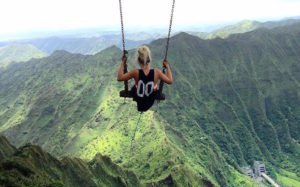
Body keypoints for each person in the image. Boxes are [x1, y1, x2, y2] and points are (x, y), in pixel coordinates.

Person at [117, 45, 173, 112]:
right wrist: (167, 66)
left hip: (140, 101)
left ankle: (141, 89)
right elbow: (170, 81)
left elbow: (119, 78)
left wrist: (123, 63)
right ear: (149, 59)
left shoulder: (135, 72)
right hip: (149, 101)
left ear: (138, 60)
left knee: (135, 87)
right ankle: (153, 88)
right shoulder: (157, 72)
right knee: (154, 88)